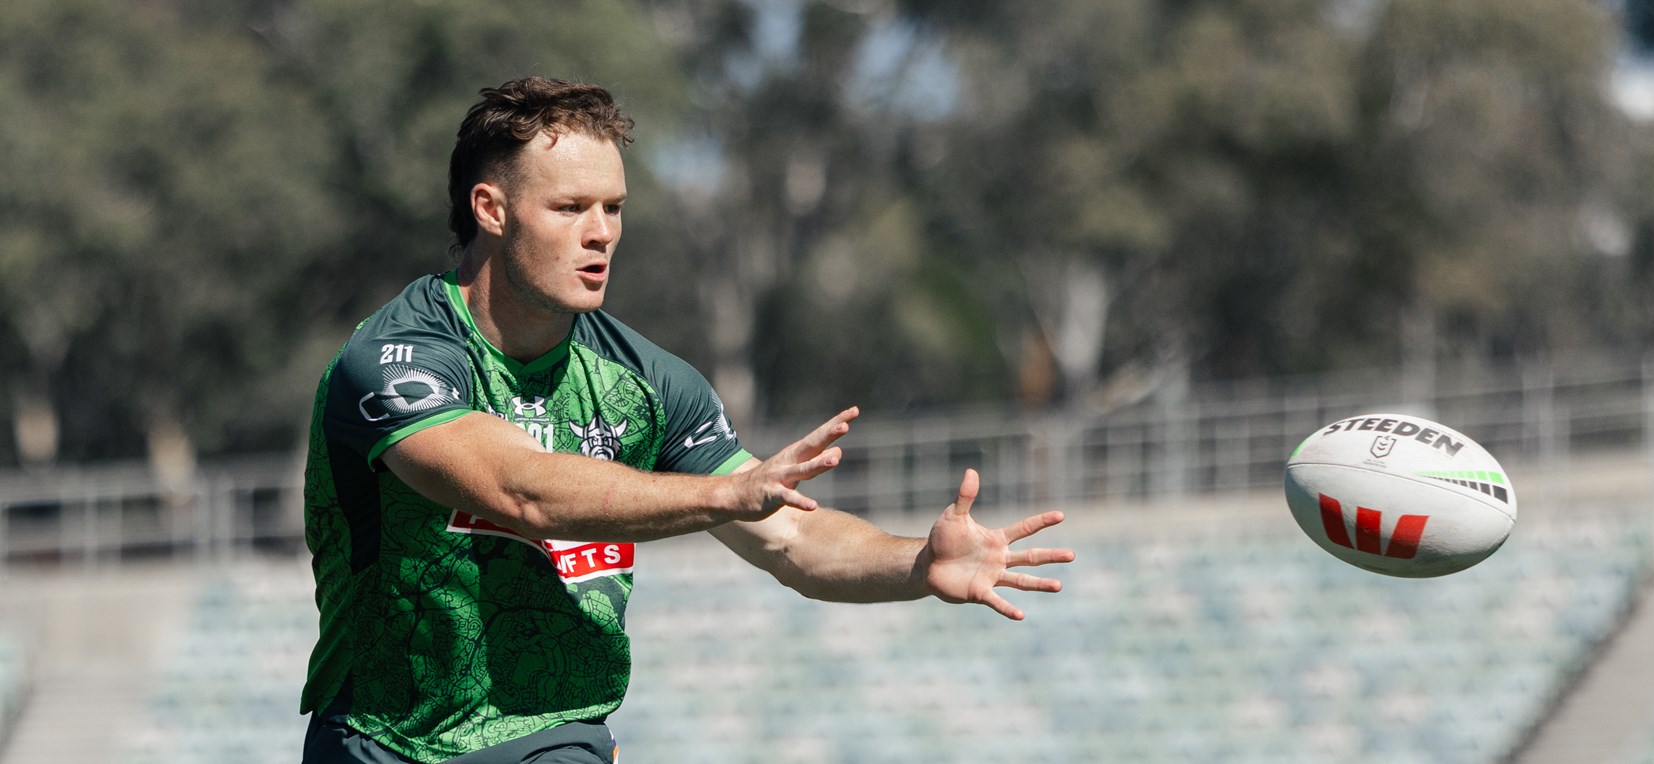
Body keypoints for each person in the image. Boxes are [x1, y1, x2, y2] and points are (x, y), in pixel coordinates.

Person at [299, 76, 1075, 764]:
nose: (602, 232)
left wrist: (917, 565)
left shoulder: (649, 382)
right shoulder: (395, 360)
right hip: (379, 740)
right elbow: (517, 490)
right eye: (570, 208)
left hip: (551, 734)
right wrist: (722, 496)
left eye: (613, 207)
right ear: (491, 209)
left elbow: (792, 539)